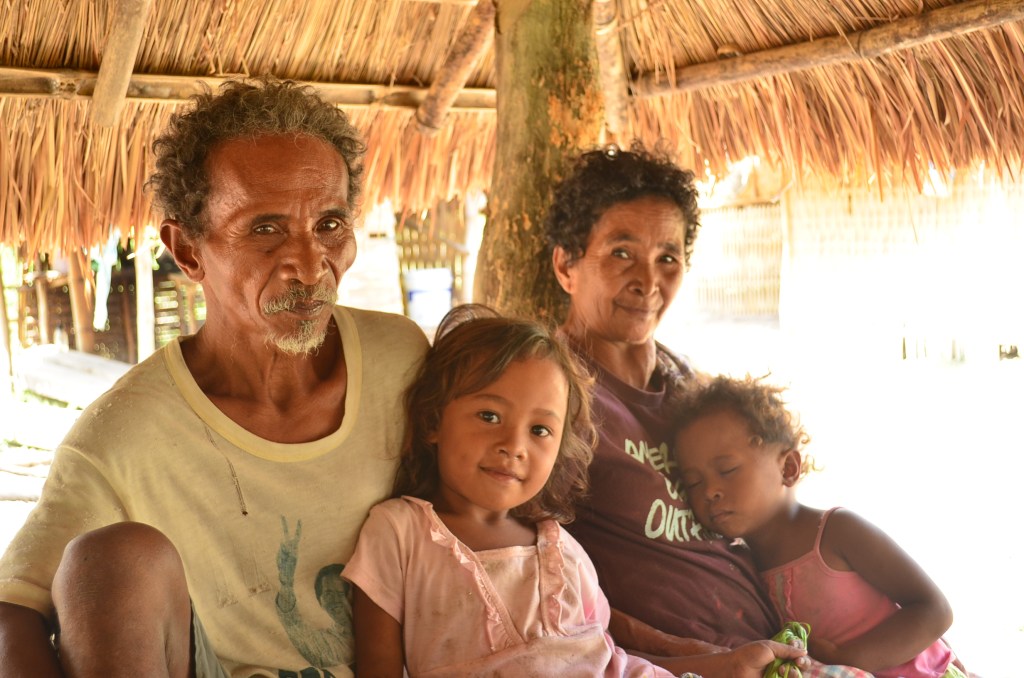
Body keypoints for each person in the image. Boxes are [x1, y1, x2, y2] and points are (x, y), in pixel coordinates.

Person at [0, 77, 429, 677]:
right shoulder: (124, 437)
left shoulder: (401, 358)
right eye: (265, 229)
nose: (309, 265)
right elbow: (11, 611)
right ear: (188, 250)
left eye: (330, 224)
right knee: (114, 559)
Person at [342, 305, 808, 677]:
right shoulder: (400, 533)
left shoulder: (561, 550)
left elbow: (605, 660)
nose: (513, 446)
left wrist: (725, 666)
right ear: (432, 421)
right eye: (489, 416)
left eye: (541, 430)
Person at [671, 374, 966, 678]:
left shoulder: (837, 532)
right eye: (693, 482)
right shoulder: (739, 565)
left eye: (727, 469)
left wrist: (848, 658)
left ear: (787, 467)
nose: (709, 492)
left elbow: (935, 610)